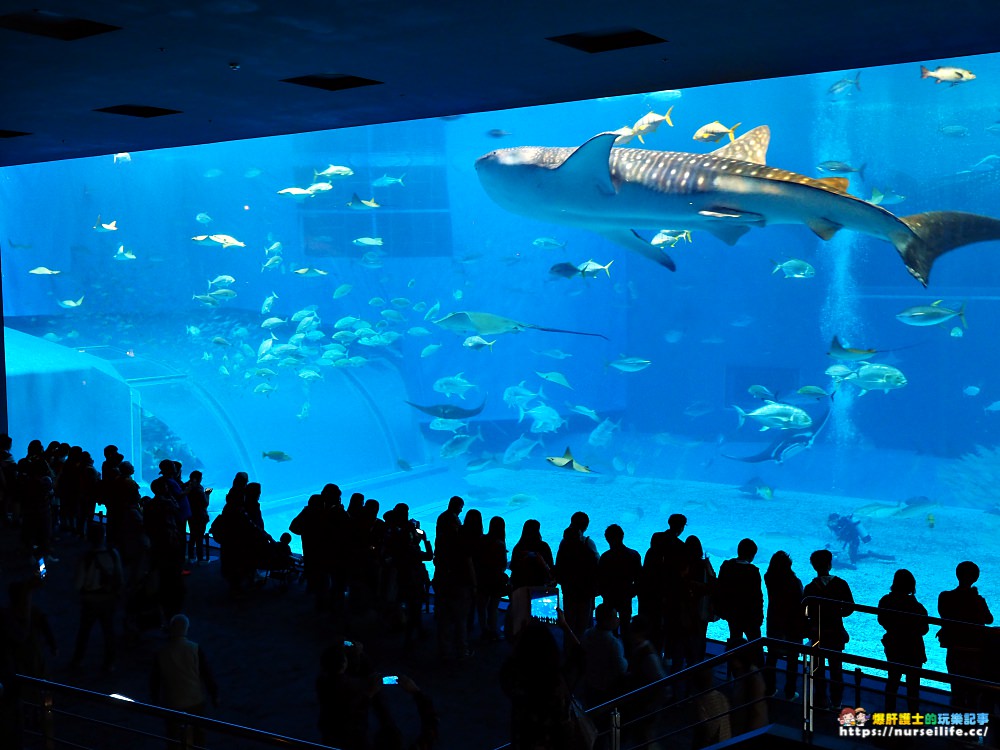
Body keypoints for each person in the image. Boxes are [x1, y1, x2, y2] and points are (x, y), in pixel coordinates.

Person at [150, 613, 219, 747]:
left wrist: (155, 700)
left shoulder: (161, 652)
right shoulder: (194, 648)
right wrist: (214, 695)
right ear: (186, 629)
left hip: (172, 703)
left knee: (174, 738)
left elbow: (155, 680)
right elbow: (207, 674)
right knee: (198, 736)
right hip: (195, 700)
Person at [937, 560, 994, 709]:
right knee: (973, 691)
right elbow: (989, 619)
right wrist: (974, 597)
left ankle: (958, 724)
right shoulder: (978, 600)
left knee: (956, 689)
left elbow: (944, 614)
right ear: (975, 578)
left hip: (954, 649)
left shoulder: (945, 596)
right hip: (974, 652)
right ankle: (970, 725)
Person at [802, 549, 854, 710]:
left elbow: (805, 611)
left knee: (817, 668)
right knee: (836, 668)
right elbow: (850, 607)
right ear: (830, 564)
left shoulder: (810, 588)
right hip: (836, 632)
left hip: (817, 633)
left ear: (813, 566)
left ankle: (821, 700)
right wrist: (838, 613)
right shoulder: (841, 584)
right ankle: (836, 702)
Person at [71, 524, 124, 673]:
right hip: (108, 599)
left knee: (84, 631)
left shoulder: (86, 558)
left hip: (90, 600)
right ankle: (110, 663)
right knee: (109, 631)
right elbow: (119, 577)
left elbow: (77, 584)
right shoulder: (113, 553)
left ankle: (78, 660)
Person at [877, 569, 928, 713]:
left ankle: (889, 714)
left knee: (892, 680)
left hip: (893, 645)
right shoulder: (917, 606)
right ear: (912, 586)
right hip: (914, 647)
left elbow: (882, 620)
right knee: (913, 686)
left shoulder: (885, 601)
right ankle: (913, 716)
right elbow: (924, 629)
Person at [763, 551, 803, 700]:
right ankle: (790, 692)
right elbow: (800, 601)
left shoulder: (769, 578)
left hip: (774, 621)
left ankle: (769, 688)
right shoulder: (794, 581)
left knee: (772, 656)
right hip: (792, 623)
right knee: (792, 659)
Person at [555, 511, 599, 639]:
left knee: (569, 621)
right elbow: (597, 563)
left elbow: (559, 564)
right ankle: (582, 650)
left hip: (569, 589)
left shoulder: (564, 543)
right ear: (586, 526)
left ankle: (568, 649)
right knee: (584, 623)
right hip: (585, 590)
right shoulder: (587, 543)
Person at [597, 524, 642, 647]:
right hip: (626, 595)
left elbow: (600, 579)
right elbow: (639, 579)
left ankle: (611, 651)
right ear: (622, 536)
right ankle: (627, 655)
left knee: (609, 627)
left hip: (609, 596)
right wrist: (632, 592)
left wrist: (604, 593)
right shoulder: (633, 555)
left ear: (607, 539)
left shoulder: (605, 557)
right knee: (626, 626)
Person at [715, 539, 763, 651]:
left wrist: (722, 610)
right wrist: (759, 617)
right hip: (749, 616)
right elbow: (757, 597)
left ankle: (734, 667)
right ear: (752, 555)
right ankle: (756, 666)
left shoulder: (727, 566)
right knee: (756, 644)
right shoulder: (753, 572)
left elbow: (720, 589)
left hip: (732, 614)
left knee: (735, 643)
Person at [578, 602, 628, 708]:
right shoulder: (613, 643)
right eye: (615, 617)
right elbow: (621, 668)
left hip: (589, 685)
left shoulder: (587, 634)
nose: (617, 619)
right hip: (607, 689)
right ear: (607, 621)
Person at [185, 471, 211, 565]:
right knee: (199, 537)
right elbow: (205, 503)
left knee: (192, 535)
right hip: (199, 515)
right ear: (197, 478)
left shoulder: (187, 487)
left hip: (191, 515)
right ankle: (200, 558)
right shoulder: (198, 490)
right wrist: (207, 494)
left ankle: (191, 556)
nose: (201, 479)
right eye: (200, 477)